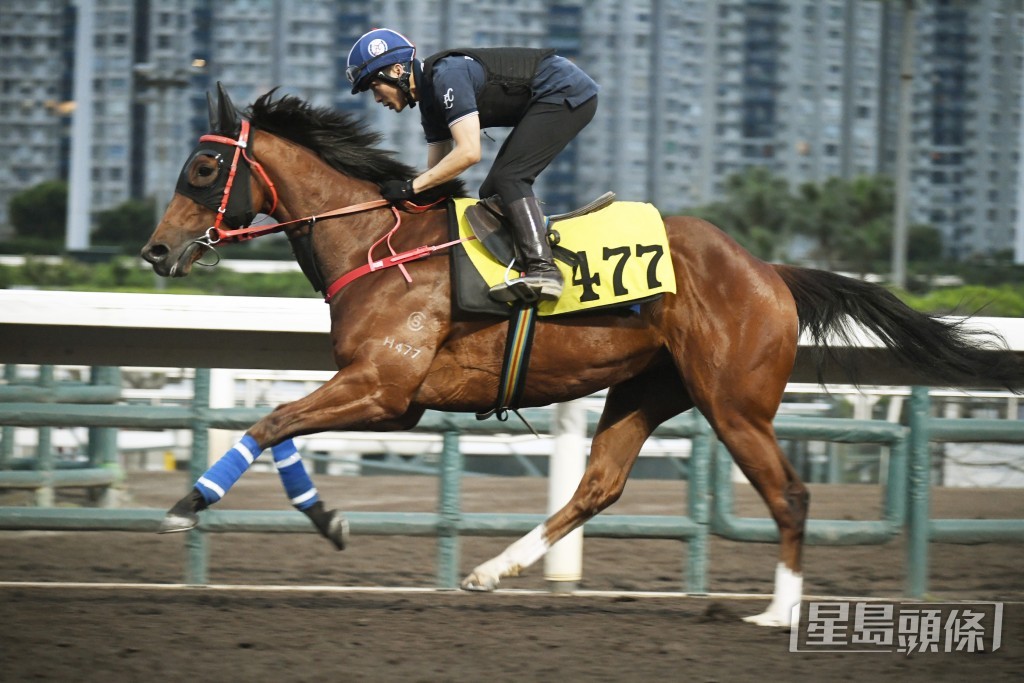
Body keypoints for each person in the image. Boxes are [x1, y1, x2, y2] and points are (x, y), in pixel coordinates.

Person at [346, 28, 599, 302]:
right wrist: (405, 201)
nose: (377, 99)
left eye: (373, 87)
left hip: (567, 91)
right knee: (491, 190)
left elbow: (468, 153)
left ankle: (544, 269)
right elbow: (437, 175)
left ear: (396, 71)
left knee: (509, 179)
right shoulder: (430, 106)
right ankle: (523, 260)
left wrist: (409, 187)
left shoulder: (446, 76)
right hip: (550, 95)